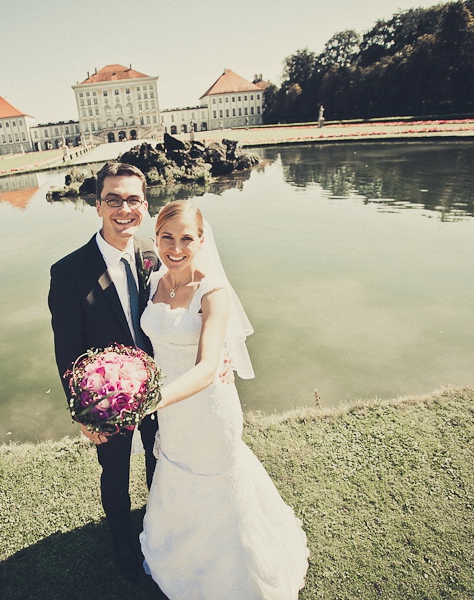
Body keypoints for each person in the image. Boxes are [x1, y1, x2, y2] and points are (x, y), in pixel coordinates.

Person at [139, 201, 309, 599]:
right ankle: (180, 558)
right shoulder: (154, 282)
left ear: (201, 241)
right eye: (167, 237)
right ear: (156, 239)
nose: (175, 248)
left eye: (186, 239)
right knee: (178, 474)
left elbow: (207, 365)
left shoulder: (214, 293)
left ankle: (234, 577)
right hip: (172, 414)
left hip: (207, 410)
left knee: (217, 483)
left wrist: (149, 402)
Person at [48, 162, 159, 580]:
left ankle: (159, 528)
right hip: (106, 398)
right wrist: (81, 412)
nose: (123, 208)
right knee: (114, 473)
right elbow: (67, 352)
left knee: (158, 459)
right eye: (113, 199)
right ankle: (123, 546)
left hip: (158, 389)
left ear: (144, 205)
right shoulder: (69, 272)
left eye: (132, 199)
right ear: (97, 205)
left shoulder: (154, 253)